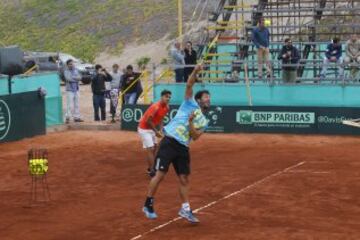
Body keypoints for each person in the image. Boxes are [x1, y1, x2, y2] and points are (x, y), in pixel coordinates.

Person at [142, 64, 210, 223]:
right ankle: (148, 203)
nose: (208, 99)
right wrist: (195, 70)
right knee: (160, 175)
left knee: (184, 179)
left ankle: (185, 210)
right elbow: (189, 84)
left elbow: (195, 136)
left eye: (209, 97)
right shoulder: (189, 103)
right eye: (205, 97)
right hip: (169, 141)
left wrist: (191, 122)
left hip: (183, 148)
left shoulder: (205, 121)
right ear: (198, 100)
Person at [138, 90, 172, 177]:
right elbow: (148, 121)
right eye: (166, 96)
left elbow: (161, 118)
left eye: (169, 97)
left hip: (152, 130)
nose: (168, 98)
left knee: (155, 148)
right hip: (144, 129)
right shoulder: (155, 107)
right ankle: (152, 171)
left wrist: (161, 129)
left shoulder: (167, 107)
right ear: (161, 97)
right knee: (151, 148)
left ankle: (150, 168)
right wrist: (156, 132)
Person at [64, 59, 83, 123]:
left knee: (77, 104)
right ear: (67, 65)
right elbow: (68, 79)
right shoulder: (66, 71)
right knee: (69, 105)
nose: (72, 65)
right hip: (70, 90)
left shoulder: (76, 70)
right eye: (70, 64)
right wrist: (76, 78)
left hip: (76, 89)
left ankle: (76, 117)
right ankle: (67, 118)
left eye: (72, 63)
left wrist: (74, 77)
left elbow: (80, 77)